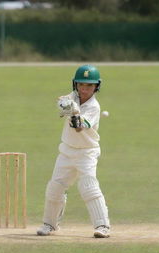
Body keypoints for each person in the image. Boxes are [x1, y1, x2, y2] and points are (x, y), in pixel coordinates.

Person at [37, 64, 110, 238]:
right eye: (81, 85)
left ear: (96, 87)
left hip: (87, 152)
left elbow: (78, 128)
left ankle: (103, 226)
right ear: (75, 84)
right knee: (55, 187)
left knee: (88, 187)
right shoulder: (73, 96)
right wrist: (64, 103)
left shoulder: (94, 107)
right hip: (67, 151)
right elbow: (62, 100)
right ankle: (50, 224)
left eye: (89, 85)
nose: (84, 89)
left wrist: (74, 112)